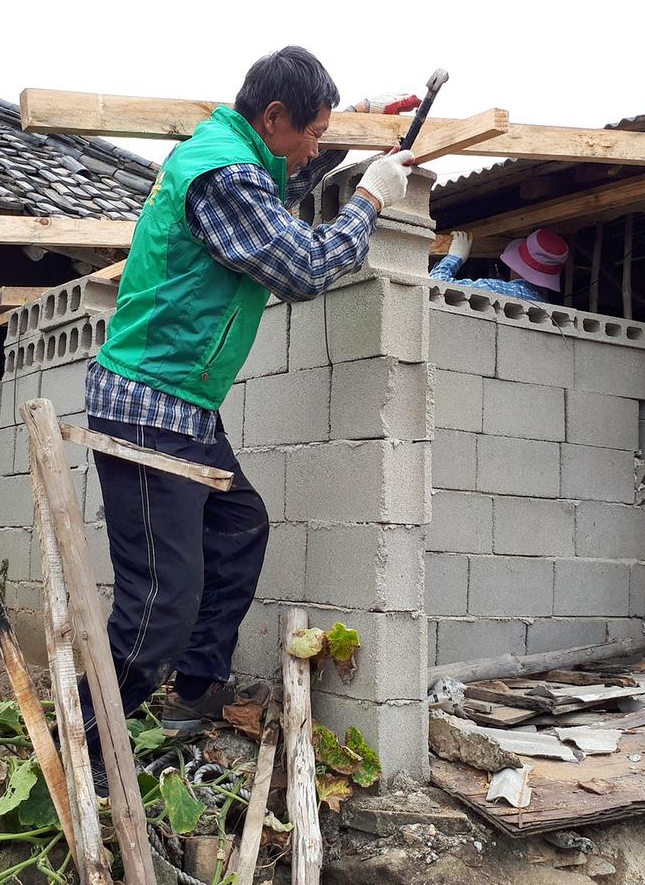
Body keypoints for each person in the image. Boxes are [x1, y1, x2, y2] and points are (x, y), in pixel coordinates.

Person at [81, 46, 419, 783]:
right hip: (149, 408)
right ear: (273, 118)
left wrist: (359, 146)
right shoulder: (225, 174)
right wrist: (372, 198)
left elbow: (283, 202)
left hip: (183, 407)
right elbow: (302, 266)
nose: (316, 149)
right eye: (313, 133)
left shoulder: (238, 160)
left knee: (238, 527)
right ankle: (91, 742)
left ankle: (195, 692)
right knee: (160, 602)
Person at [430, 228, 570, 302]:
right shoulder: (546, 306)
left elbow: (435, 286)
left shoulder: (500, 290)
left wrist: (455, 257)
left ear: (515, 264)